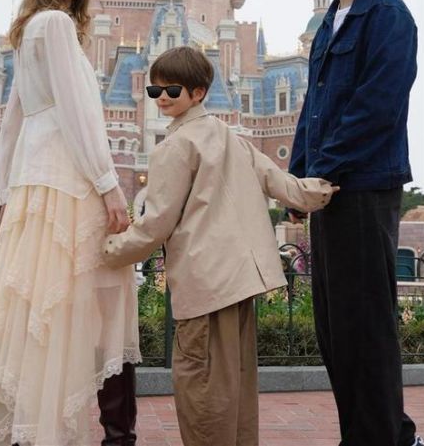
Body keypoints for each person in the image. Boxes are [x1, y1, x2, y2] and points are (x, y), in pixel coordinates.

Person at [0, 0, 140, 446]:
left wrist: (7, 189)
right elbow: (79, 113)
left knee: (36, 310)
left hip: (37, 184)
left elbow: (13, 119)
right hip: (68, 182)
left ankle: (30, 429)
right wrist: (108, 184)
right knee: (88, 305)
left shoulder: (30, 30)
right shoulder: (57, 26)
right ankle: (100, 433)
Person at [103, 45, 338, 446]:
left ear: (198, 92)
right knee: (236, 388)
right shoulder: (232, 138)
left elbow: (155, 224)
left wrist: (107, 251)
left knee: (202, 389)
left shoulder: (174, 147)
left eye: (171, 90)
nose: (161, 98)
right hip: (241, 284)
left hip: (205, 285)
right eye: (154, 91)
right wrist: (329, 187)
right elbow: (284, 185)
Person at [289, 0, 423, 446]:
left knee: (365, 323)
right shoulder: (329, 23)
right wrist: (296, 179)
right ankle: (382, 434)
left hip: (365, 186)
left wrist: (320, 170)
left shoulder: (388, 15)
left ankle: (384, 438)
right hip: (326, 191)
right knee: (336, 327)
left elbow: (377, 106)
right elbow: (313, 109)